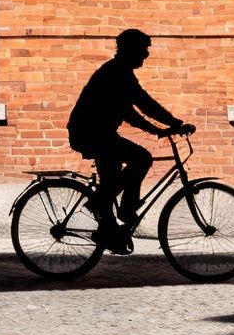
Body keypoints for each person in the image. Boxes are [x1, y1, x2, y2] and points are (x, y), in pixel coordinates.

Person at [66, 28, 192, 253]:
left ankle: (109, 231)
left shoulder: (122, 72)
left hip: (101, 134)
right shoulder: (115, 73)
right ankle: (119, 209)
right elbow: (135, 109)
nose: (146, 55)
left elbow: (139, 104)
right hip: (90, 134)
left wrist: (168, 125)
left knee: (113, 181)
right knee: (141, 158)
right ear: (130, 49)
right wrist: (164, 128)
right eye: (143, 49)